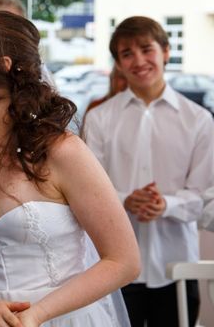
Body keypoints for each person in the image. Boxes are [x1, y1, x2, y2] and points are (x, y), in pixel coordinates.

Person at [0, 9, 139, 327]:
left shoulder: (62, 152)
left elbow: (124, 261)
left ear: (2, 65)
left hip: (63, 319)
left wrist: (36, 315)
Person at [83, 16, 214, 327]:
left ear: (166, 51)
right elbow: (86, 191)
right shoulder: (99, 118)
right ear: (118, 63)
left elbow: (205, 194)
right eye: (127, 53)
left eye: (147, 49)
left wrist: (165, 204)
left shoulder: (198, 120)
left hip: (176, 263)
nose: (138, 60)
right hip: (112, 266)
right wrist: (125, 200)